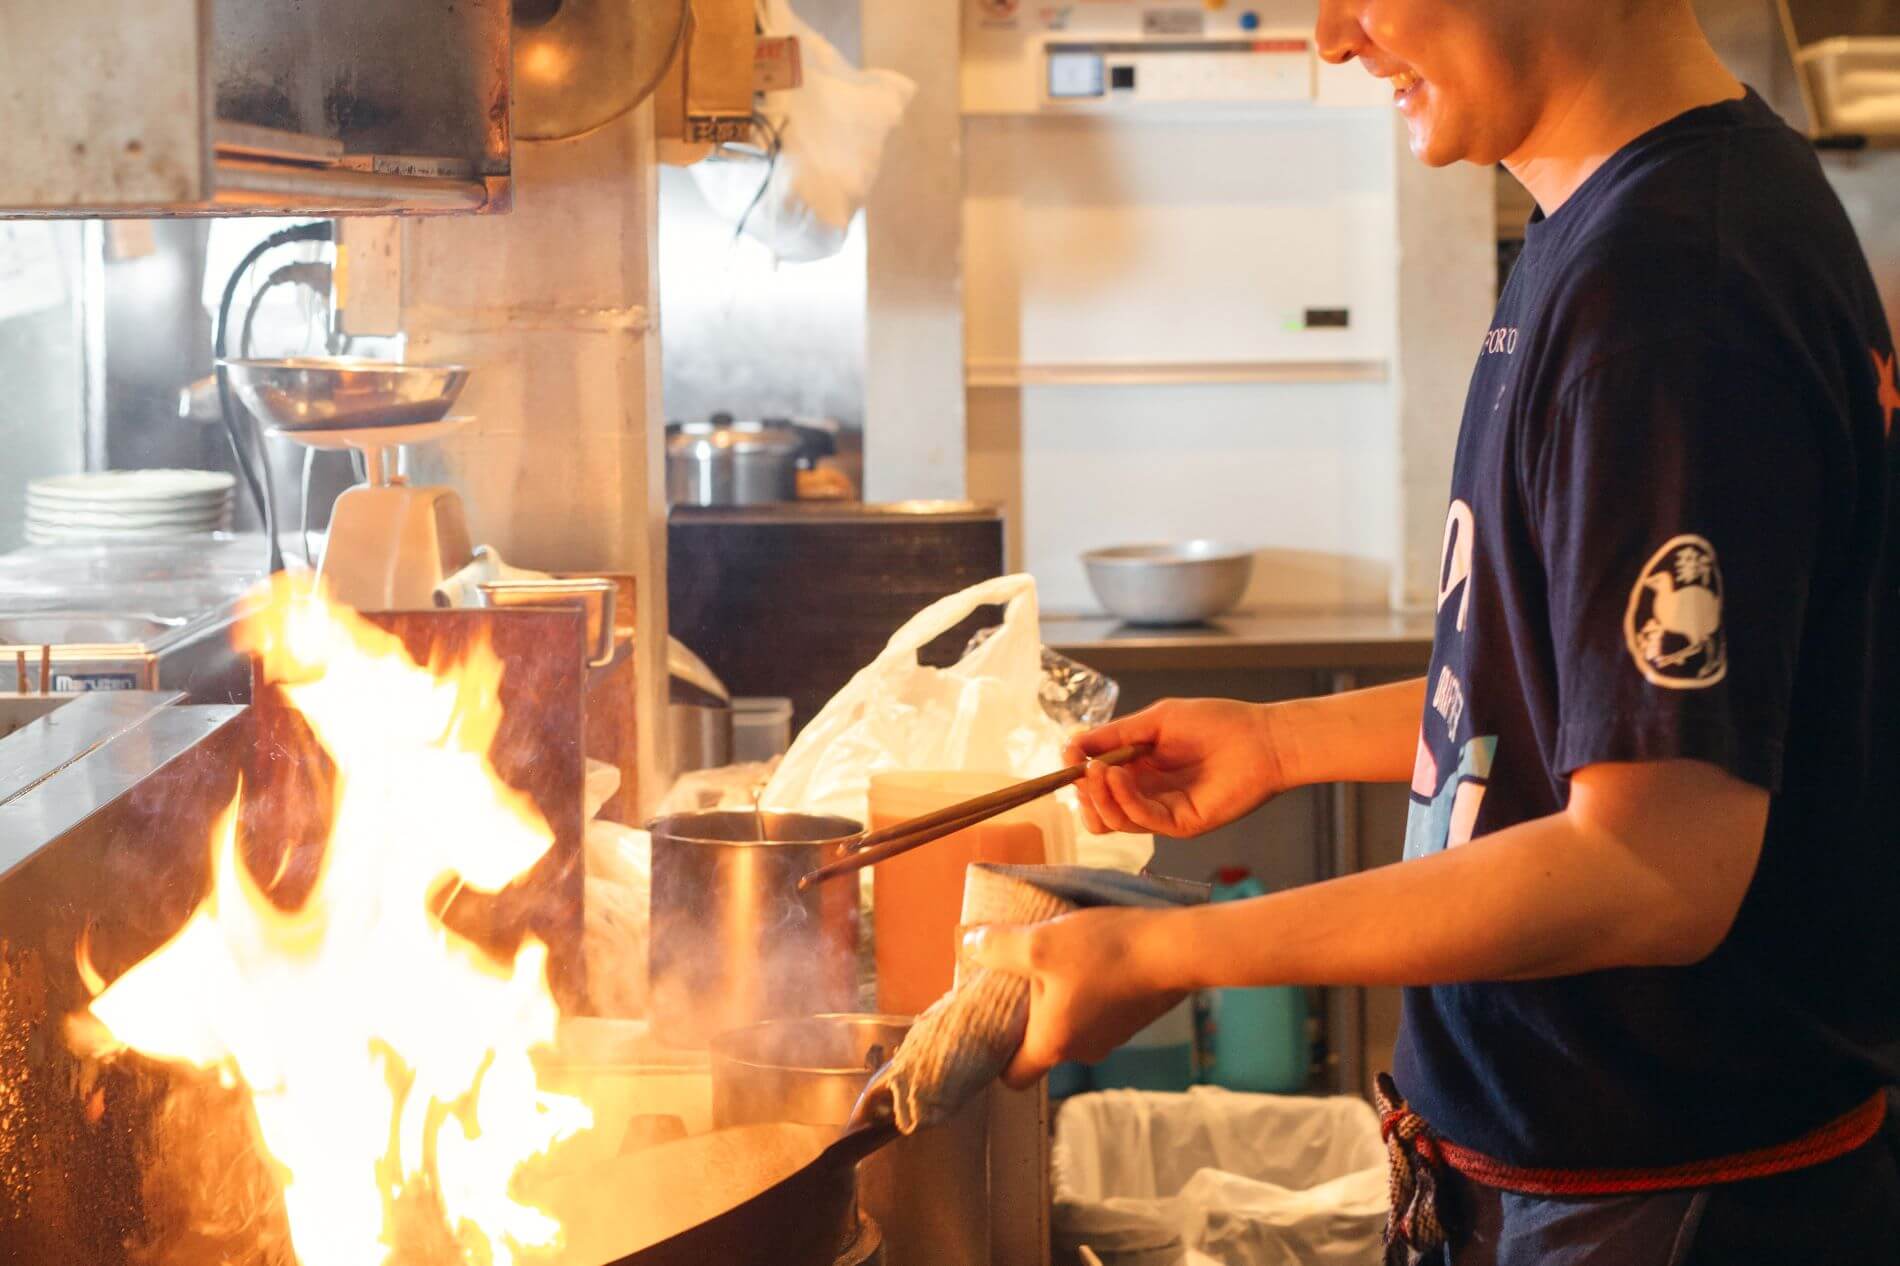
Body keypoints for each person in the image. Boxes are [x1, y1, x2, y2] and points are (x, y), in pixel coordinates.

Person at [963, 1, 1900, 1261]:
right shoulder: (1625, 226)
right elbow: (1597, 705)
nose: (1334, 36)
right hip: (1578, 1189)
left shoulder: (1674, 290)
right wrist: (1283, 742)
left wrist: (1172, 950)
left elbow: (1653, 870)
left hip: (1664, 1207)